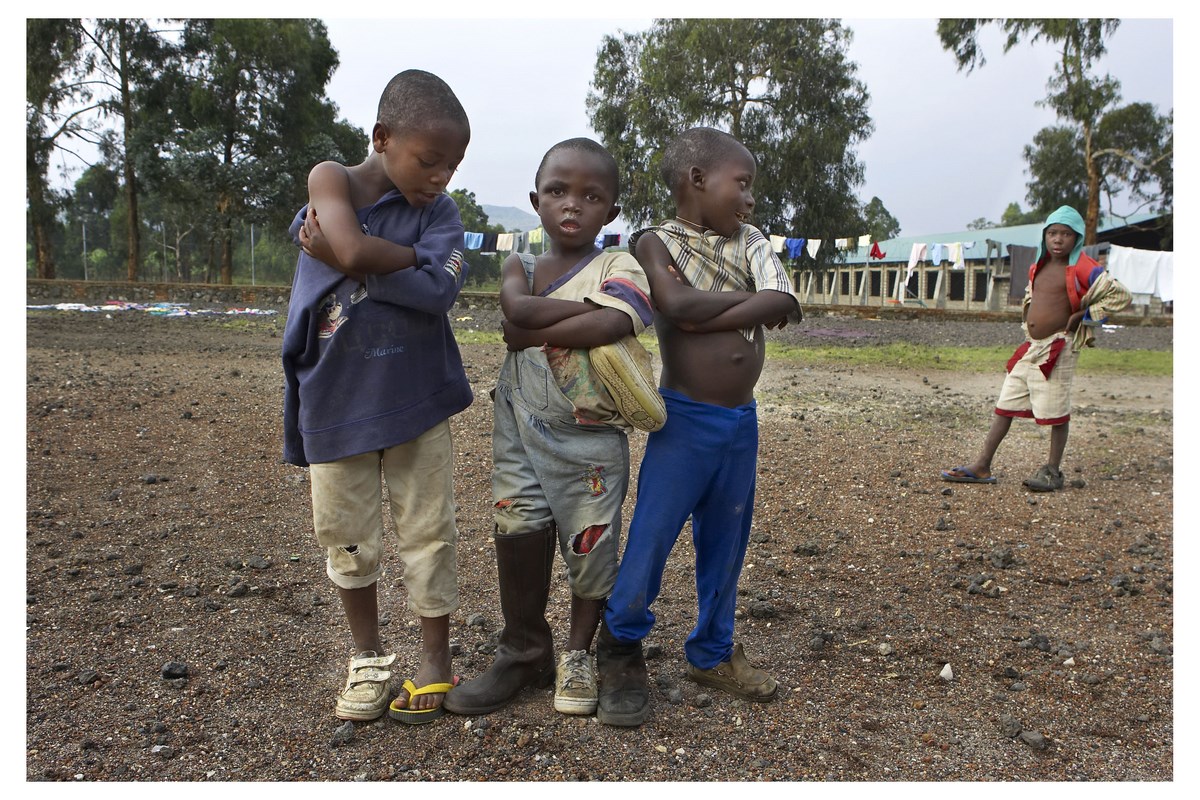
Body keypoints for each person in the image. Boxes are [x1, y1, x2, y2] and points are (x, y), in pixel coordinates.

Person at [281, 69, 473, 725]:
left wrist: (349, 259)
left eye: (454, 164)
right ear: (382, 138)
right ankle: (366, 659)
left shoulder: (440, 215)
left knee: (429, 535)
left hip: (417, 401)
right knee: (349, 541)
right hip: (334, 400)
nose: (442, 176)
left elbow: (437, 291)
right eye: (430, 160)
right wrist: (390, 256)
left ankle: (435, 660)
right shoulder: (329, 179)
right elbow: (363, 246)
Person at [594, 127, 802, 727]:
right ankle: (621, 647)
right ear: (697, 180)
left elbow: (781, 298)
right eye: (742, 183)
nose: (751, 198)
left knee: (726, 545)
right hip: (684, 422)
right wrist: (746, 304)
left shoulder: (754, 240)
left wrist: (708, 311)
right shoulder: (655, 241)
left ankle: (711, 652)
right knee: (653, 537)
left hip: (741, 423)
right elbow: (674, 307)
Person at [443, 138, 655, 718]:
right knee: (516, 529)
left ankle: (579, 654)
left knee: (591, 544)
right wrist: (594, 316)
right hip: (518, 431)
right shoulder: (523, 264)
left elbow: (617, 319)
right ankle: (523, 650)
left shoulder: (620, 265)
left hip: (590, 442)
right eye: (558, 192)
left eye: (591, 196)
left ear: (611, 212)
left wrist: (557, 322)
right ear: (536, 201)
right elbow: (518, 313)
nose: (572, 205)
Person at [940, 205, 1131, 490]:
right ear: (1044, 236)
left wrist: (1085, 316)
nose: (1058, 239)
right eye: (1052, 233)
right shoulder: (1037, 265)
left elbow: (1121, 295)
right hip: (1031, 346)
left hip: (1059, 346)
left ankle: (1053, 471)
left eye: (1066, 234)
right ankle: (981, 465)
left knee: (1056, 408)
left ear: (1076, 238)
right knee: (1005, 404)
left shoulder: (1083, 267)